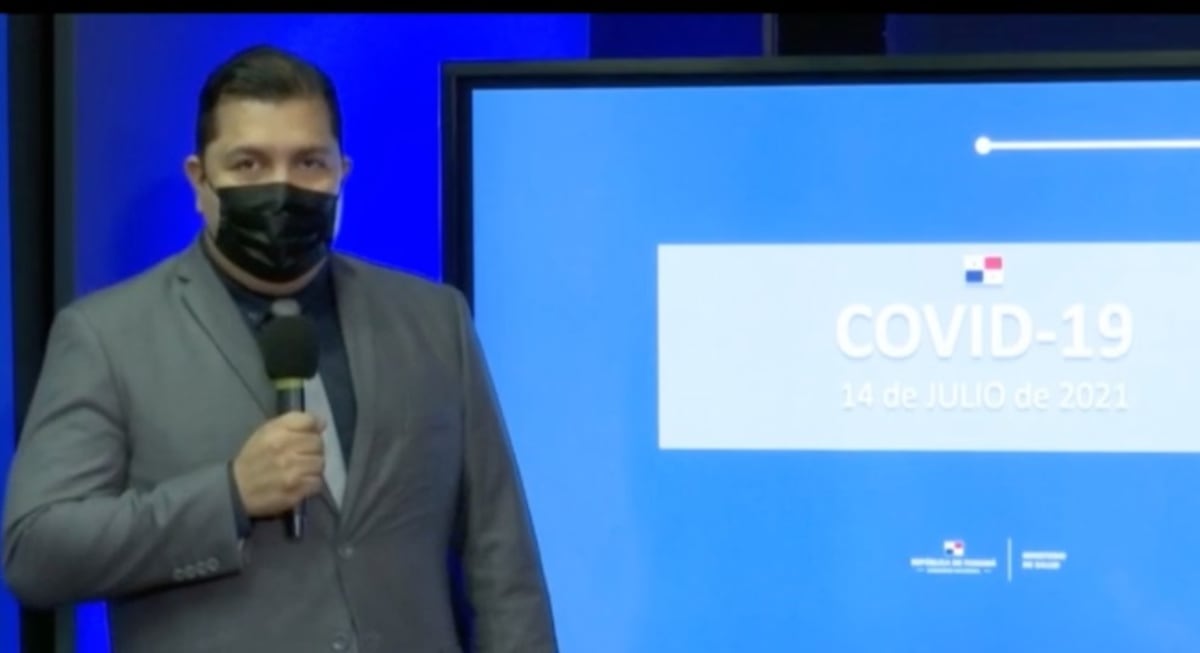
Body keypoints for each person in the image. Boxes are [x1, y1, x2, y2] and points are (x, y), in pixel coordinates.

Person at [2, 45, 557, 653]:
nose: (281, 188)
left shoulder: (433, 319)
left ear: (342, 173)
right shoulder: (108, 336)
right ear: (199, 180)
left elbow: (502, 560)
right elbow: (36, 553)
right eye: (248, 164)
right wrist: (229, 496)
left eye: (309, 163)